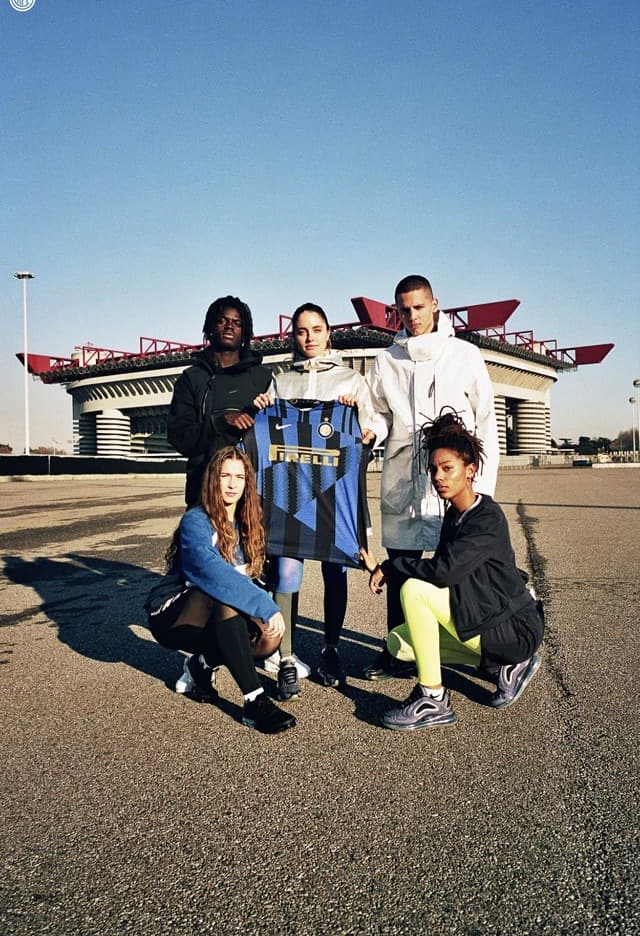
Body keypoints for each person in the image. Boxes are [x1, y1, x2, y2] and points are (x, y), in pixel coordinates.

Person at [361, 410, 543, 731]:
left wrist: (392, 565)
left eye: (448, 468)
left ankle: (433, 698)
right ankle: (504, 667)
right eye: (434, 470)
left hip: (513, 627)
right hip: (486, 617)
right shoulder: (454, 516)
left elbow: (443, 573)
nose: (438, 477)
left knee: (414, 591)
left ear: (470, 471)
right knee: (398, 644)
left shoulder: (486, 517)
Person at [364, 274, 500, 680]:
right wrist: (371, 430)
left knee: (459, 570)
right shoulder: (385, 359)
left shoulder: (464, 354)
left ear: (436, 304)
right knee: (401, 566)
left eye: (419, 307)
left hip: (452, 482)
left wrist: (482, 488)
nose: (412, 316)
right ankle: (398, 651)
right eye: (404, 309)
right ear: (396, 311)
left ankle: (475, 649)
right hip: (405, 479)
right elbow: (376, 413)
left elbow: (486, 419)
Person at [255, 302, 378, 699]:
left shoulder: (351, 381)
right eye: (302, 331)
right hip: (287, 491)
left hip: (332, 491)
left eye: (317, 329)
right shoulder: (280, 381)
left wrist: (358, 418)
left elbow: (372, 430)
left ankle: (331, 649)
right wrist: (260, 409)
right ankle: (286, 659)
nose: (309, 337)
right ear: (294, 336)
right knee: (287, 573)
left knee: (334, 571)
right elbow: (265, 431)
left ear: (329, 333)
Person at [147, 446, 296, 734]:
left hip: (214, 616)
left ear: (246, 483)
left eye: (239, 477)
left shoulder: (248, 526)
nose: (231, 484)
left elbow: (255, 578)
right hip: (174, 616)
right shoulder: (197, 520)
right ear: (213, 479)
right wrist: (264, 606)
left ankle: (201, 666)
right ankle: (254, 701)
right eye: (224, 475)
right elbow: (210, 572)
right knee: (222, 597)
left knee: (268, 639)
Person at [167, 296, 272, 506]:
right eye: (223, 320)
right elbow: (180, 438)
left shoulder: (263, 378)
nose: (229, 326)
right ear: (211, 327)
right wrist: (221, 421)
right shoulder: (191, 379)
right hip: (202, 495)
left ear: (245, 333)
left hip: (251, 498)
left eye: (237, 322)